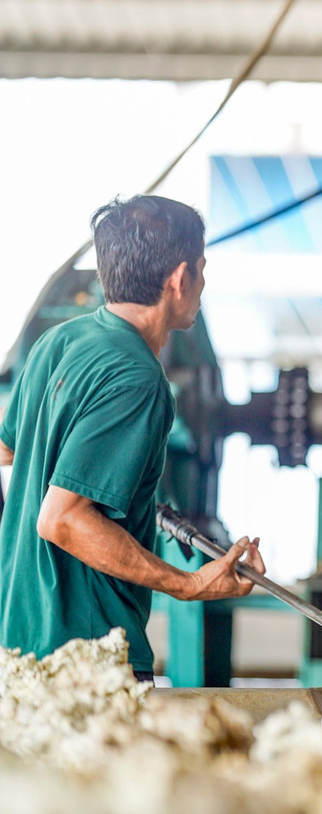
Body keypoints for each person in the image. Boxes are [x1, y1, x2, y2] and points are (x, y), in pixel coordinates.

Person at [0, 195, 265, 682]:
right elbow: (62, 520)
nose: (202, 284)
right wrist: (188, 584)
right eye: (202, 270)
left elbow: (9, 447)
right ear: (180, 278)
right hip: (85, 660)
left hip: (18, 647)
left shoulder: (59, 341)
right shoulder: (137, 378)